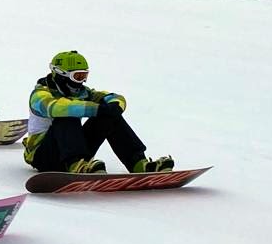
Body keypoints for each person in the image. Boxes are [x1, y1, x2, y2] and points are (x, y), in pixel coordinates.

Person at [23, 50, 174, 174]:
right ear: (61, 74)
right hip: (45, 157)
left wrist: (115, 106)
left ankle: (138, 163)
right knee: (67, 114)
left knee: (109, 116)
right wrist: (95, 108)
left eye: (83, 76)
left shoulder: (83, 93)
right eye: (77, 76)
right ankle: (76, 164)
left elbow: (114, 97)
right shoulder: (40, 94)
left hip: (69, 151)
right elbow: (55, 107)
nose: (81, 81)